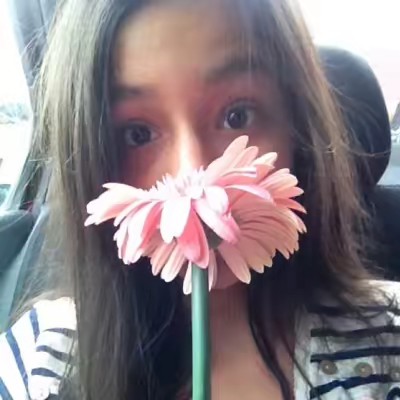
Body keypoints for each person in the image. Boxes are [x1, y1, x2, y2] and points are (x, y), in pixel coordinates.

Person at [1, 0, 399, 399]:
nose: (196, 177)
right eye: (137, 134)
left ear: (299, 130)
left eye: (237, 116)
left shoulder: (389, 342)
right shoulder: (39, 360)